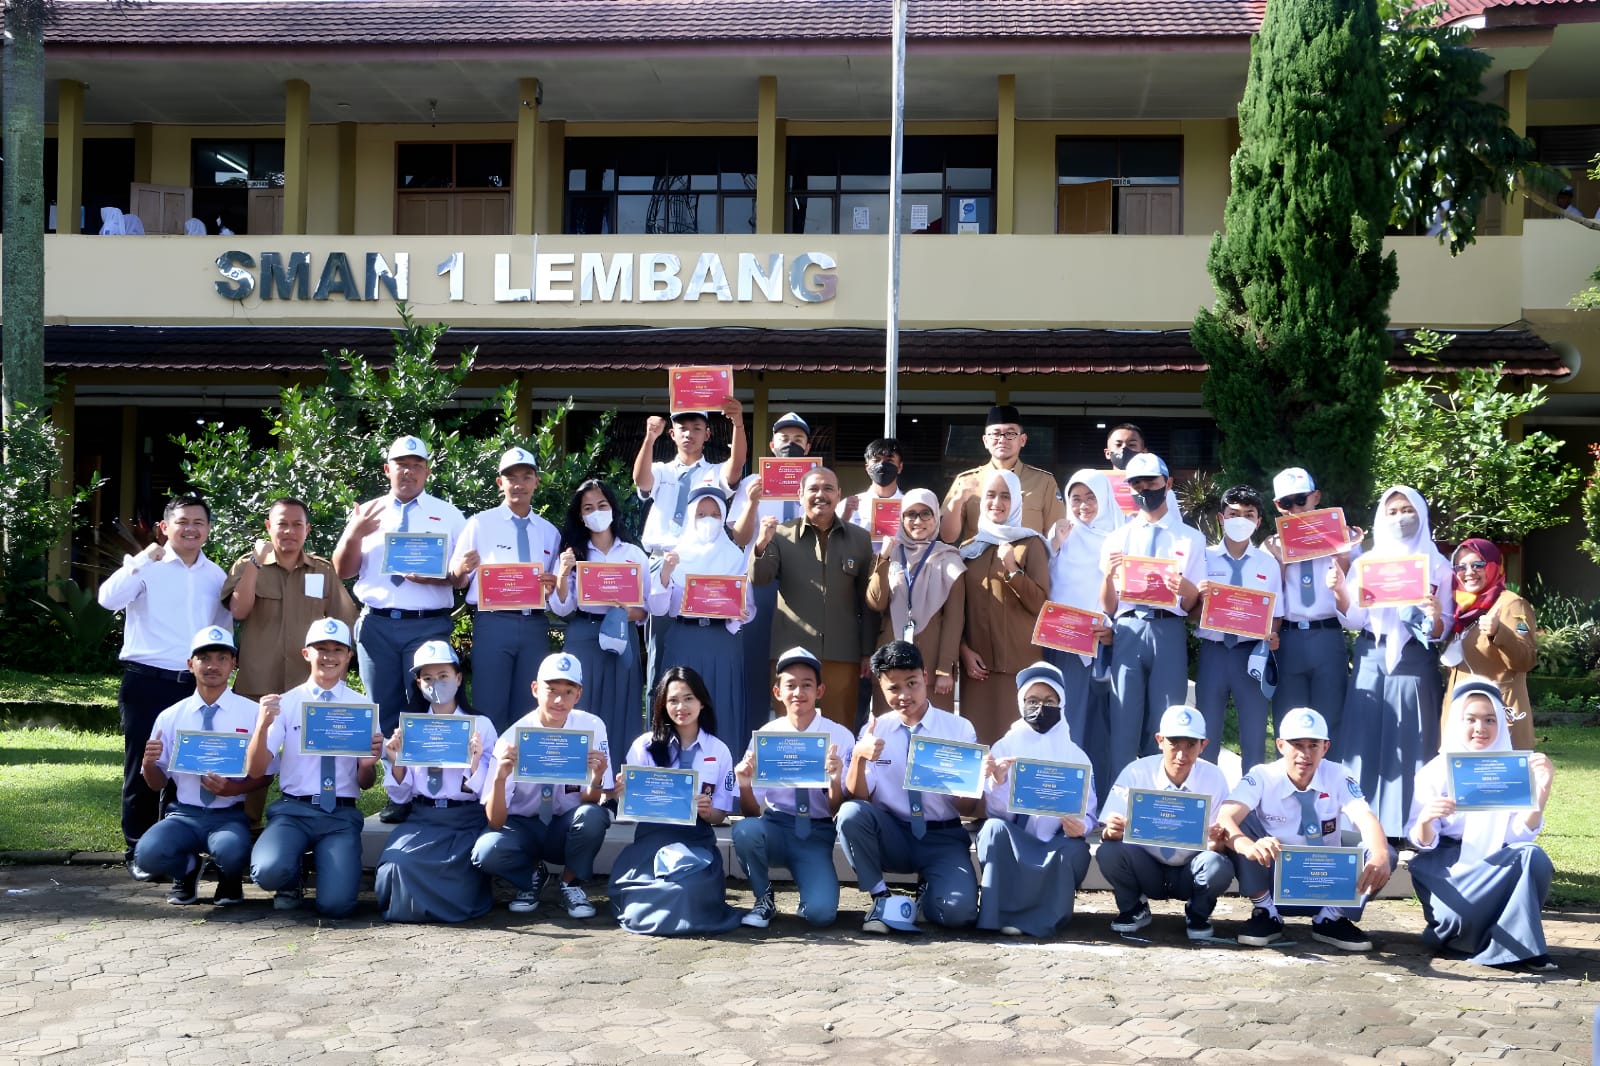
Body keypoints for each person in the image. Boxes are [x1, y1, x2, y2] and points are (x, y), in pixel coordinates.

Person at [332, 435, 466, 824]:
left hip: (428, 624)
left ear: (427, 470)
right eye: (400, 464)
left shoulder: (449, 515)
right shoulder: (367, 511)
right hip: (377, 624)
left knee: (432, 704)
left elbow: (459, 579)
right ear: (387, 469)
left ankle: (436, 790)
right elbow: (342, 570)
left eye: (416, 465)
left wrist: (431, 576)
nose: (408, 471)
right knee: (386, 709)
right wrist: (355, 532)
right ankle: (400, 792)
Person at [98, 494, 231, 881]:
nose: (191, 529)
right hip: (146, 680)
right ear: (165, 527)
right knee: (144, 764)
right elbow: (107, 599)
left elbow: (220, 632)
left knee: (185, 769)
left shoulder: (215, 576)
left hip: (193, 685)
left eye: (199, 523)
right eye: (183, 521)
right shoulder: (147, 568)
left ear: (207, 530)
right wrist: (140, 561)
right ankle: (137, 849)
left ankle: (175, 850)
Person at [224, 495, 358, 833]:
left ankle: (310, 825)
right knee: (253, 756)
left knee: (311, 758)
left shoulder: (323, 570)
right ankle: (248, 826)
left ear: (307, 529)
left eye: (297, 524)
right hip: (258, 681)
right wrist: (255, 563)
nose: (289, 531)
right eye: (282, 523)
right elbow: (238, 611)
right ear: (269, 527)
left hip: (308, 688)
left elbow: (346, 622)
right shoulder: (247, 565)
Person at [1406, 677, 1557, 971]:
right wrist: (1426, 818)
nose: (1480, 729)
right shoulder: (1434, 772)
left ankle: (1523, 949)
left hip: (1494, 863)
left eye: (1490, 719)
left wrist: (1542, 791)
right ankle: (1463, 935)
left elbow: (1518, 836)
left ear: (1501, 721)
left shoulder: (1512, 768)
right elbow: (1423, 842)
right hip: (1447, 867)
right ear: (1456, 721)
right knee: (1455, 923)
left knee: (1532, 857)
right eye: (1471, 719)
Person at [1214, 708, 1394, 951]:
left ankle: (1331, 918)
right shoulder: (1262, 775)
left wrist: (1380, 854)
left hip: (1328, 883)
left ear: (1325, 748)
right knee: (1240, 824)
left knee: (1385, 853)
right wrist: (1250, 846)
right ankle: (1266, 912)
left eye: (1313, 745)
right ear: (1280, 745)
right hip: (1275, 881)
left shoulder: (1338, 774)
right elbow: (1224, 817)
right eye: (1297, 745)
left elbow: (1365, 817)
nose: (1305, 754)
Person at [1333, 485, 1452, 837]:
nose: (1401, 518)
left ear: (1421, 514)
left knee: (1414, 738)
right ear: (1381, 518)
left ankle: (1410, 826)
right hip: (1371, 656)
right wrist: (1339, 590)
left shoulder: (1439, 567)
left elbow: (1441, 631)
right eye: (1393, 511)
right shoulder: (1367, 563)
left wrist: (1434, 615)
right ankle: (1359, 824)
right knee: (1363, 739)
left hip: (1415, 659)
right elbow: (1353, 619)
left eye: (1408, 510)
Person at [838, 641, 980, 934]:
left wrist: (960, 782)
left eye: (912, 683)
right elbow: (858, 797)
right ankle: (880, 898)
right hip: (893, 834)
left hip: (942, 837)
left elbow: (967, 808)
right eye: (894, 688)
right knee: (851, 813)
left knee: (958, 914)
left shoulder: (959, 729)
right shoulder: (874, 730)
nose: (904, 695)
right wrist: (859, 760)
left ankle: (928, 891)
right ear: (880, 686)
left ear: (926, 676)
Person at [245, 618, 381, 917]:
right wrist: (262, 726)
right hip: (294, 811)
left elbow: (366, 781)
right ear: (306, 653)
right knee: (267, 871)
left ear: (349, 656)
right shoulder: (287, 703)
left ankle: (321, 866)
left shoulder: (362, 708)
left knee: (337, 906)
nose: (329, 656)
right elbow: (256, 770)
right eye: (321, 649)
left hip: (340, 815)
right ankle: (290, 878)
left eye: (337, 649)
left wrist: (368, 764)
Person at [133, 626, 269, 906]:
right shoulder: (171, 717)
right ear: (190, 664)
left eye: (222, 658)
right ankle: (187, 870)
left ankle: (228, 878)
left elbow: (266, 775)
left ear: (234, 663)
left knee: (232, 851)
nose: (212, 666)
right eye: (204, 658)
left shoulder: (252, 713)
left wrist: (234, 788)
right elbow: (157, 783)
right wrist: (148, 763)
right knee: (146, 855)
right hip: (183, 814)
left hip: (228, 815)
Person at [473, 653, 612, 920]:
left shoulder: (592, 727)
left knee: (594, 816)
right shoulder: (512, 738)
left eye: (568, 692)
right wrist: (501, 777)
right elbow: (495, 822)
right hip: (523, 826)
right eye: (551, 691)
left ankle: (570, 883)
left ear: (578, 694)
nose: (559, 700)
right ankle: (531, 877)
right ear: (536, 689)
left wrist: (597, 777)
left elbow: (591, 800)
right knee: (486, 851)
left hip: (564, 825)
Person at [608, 667, 742, 936]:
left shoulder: (718, 750)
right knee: (644, 894)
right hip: (651, 841)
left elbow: (720, 815)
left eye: (689, 698)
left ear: (702, 702)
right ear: (662, 704)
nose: (681, 707)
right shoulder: (644, 746)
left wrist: (708, 812)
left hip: (696, 843)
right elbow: (630, 806)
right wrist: (620, 791)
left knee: (685, 891)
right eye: (673, 700)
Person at [732, 647, 855, 928]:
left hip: (816, 833)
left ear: (820, 690)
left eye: (807, 685)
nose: (798, 692)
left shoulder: (840, 736)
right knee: (744, 831)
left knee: (821, 915)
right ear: (777, 692)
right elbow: (751, 812)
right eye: (791, 685)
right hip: (776, 827)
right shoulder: (766, 737)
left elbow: (837, 808)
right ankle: (764, 899)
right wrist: (745, 784)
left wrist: (835, 779)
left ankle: (810, 897)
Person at [374, 640, 497, 923]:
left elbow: (488, 791)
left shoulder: (481, 725)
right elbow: (401, 797)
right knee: (394, 865)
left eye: (443, 676)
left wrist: (475, 764)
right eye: (427, 678)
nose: (436, 684)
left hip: (464, 822)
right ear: (418, 684)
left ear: (458, 678)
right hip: (423, 820)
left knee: (460, 881)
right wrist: (396, 761)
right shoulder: (411, 726)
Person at [1099, 452, 1206, 769]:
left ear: (1168, 483)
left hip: (1168, 631)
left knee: (1166, 721)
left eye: (1151, 481)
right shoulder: (1117, 538)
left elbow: (1191, 606)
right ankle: (1117, 809)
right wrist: (1106, 575)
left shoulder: (1191, 538)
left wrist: (1186, 590)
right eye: (1136, 483)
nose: (1145, 488)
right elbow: (1109, 606)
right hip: (1128, 630)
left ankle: (1157, 804)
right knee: (1123, 720)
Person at [975, 662, 1098, 937]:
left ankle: (1041, 922)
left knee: (1075, 850)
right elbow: (996, 814)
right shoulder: (1005, 747)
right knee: (993, 830)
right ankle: (998, 916)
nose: (1040, 707)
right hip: (1017, 840)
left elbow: (1088, 814)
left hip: (1053, 844)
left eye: (1048, 700)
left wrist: (1082, 827)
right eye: (1032, 700)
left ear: (1061, 703)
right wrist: (998, 781)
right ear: (1021, 703)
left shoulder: (1076, 756)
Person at [749, 467, 875, 731]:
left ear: (839, 494)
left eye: (828, 489)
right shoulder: (781, 536)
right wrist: (761, 544)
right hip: (791, 653)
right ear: (799, 495)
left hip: (843, 654)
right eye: (814, 489)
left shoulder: (860, 539)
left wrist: (866, 652)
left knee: (840, 730)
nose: (821, 495)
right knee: (791, 732)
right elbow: (760, 579)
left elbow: (868, 603)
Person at [633, 401, 745, 691]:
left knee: (696, 645)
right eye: (683, 428)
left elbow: (735, 469)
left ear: (707, 435)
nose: (689, 434)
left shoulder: (715, 471)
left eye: (697, 428)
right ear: (672, 434)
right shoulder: (661, 469)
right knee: (660, 648)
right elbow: (641, 480)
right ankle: (657, 722)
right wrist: (649, 437)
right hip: (663, 560)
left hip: (702, 563)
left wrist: (738, 424)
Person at [1096, 705, 1234, 940]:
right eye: (1174, 744)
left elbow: (1217, 845)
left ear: (1204, 745)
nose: (1182, 754)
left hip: (1189, 868)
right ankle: (1133, 908)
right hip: (1146, 866)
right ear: (1159, 741)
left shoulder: (1214, 777)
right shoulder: (1136, 772)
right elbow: (1106, 831)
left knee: (1217, 865)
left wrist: (1217, 843)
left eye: (1191, 745)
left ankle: (1198, 912)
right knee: (1109, 852)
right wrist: (1112, 831)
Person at [449, 447, 562, 734]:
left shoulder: (549, 532)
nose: (519, 484)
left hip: (535, 624)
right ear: (500, 483)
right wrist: (461, 569)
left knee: (531, 705)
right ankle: (485, 776)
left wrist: (551, 586)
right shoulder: (479, 524)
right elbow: (458, 581)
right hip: (493, 622)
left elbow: (555, 590)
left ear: (537, 482)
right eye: (511, 477)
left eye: (526, 477)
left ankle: (522, 777)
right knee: (489, 705)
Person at [548, 479, 663, 758]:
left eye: (602, 505)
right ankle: (577, 783)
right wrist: (563, 574)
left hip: (622, 637)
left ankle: (619, 783)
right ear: (580, 515)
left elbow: (647, 609)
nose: (596, 512)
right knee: (580, 705)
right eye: (588, 508)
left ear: (612, 508)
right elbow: (561, 608)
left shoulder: (633, 553)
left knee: (622, 706)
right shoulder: (572, 553)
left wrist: (625, 611)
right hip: (584, 635)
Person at [729, 411, 815, 728]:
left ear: (808, 447)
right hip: (759, 583)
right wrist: (752, 503)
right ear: (772, 444)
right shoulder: (753, 482)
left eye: (798, 440)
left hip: (803, 583)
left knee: (796, 663)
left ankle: (795, 736)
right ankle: (751, 735)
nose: (790, 445)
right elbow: (738, 537)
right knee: (754, 662)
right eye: (784, 439)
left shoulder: (817, 482)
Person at [655, 486, 754, 752]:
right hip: (684, 640)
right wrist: (666, 573)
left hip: (722, 643)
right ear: (690, 515)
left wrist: (740, 613)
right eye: (701, 513)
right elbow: (658, 606)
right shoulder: (675, 553)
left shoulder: (735, 555)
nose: (707, 520)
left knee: (722, 707)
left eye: (714, 514)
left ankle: (723, 782)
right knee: (678, 706)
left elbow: (748, 606)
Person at [956, 469, 1050, 745]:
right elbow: (958, 607)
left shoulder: (1030, 544)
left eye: (1005, 496)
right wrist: (963, 651)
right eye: (991, 495)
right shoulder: (970, 547)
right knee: (978, 744)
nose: (996, 502)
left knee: (1017, 746)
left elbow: (1039, 604)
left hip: (1019, 667)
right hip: (978, 668)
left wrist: (1012, 569)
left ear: (1016, 502)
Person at [1263, 467, 1356, 744]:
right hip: (1288, 638)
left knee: (1331, 719)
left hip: (1327, 634)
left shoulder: (1343, 538)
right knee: (1288, 719)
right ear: (1277, 507)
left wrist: (1343, 554)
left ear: (1316, 497)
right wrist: (1279, 562)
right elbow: (1266, 598)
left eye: (1300, 499)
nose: (1294, 509)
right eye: (1285, 503)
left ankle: (1332, 785)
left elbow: (1354, 592)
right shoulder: (1270, 546)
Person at [1194, 485, 1283, 768]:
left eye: (1249, 514)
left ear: (1258, 522)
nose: (1240, 520)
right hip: (1214, 652)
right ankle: (1208, 803)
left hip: (1251, 654)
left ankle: (1251, 808)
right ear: (1221, 518)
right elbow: (1188, 613)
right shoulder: (1203, 558)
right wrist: (1199, 598)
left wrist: (1273, 634)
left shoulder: (1268, 564)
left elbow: (1276, 613)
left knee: (1255, 736)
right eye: (1233, 513)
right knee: (1205, 734)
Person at [1045, 470, 1120, 789]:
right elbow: (1045, 583)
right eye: (1076, 498)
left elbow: (1128, 588)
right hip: (1064, 644)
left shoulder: (1119, 536)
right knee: (1068, 720)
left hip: (1106, 643)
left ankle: (1100, 798)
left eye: (1091, 497)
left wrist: (1111, 626)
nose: (1084, 505)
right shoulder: (1061, 535)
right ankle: (1065, 796)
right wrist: (1053, 545)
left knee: (1104, 725)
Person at [865, 488, 965, 712]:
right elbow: (875, 602)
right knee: (890, 733)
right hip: (891, 662)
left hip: (930, 664)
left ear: (936, 518)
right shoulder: (889, 555)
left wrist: (944, 670)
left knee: (931, 735)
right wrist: (883, 558)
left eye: (925, 514)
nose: (917, 521)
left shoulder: (950, 560)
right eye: (910, 514)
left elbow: (954, 620)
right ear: (901, 518)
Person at [1440, 539, 1537, 751]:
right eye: (1461, 566)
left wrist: (1498, 632)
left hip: (1500, 720)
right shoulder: (1461, 608)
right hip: (1463, 722)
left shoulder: (1512, 605)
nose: (1469, 572)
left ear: (1493, 565)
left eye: (1478, 565)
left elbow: (1527, 659)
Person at [940, 404, 1064, 545]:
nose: (1002, 439)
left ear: (1022, 440)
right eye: (995, 433)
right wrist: (958, 500)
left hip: (1026, 564)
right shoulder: (966, 481)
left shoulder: (1043, 482)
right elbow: (947, 537)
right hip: (977, 563)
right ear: (986, 441)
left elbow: (1057, 535)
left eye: (1010, 433)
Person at [840, 437, 905, 543]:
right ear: (867, 468)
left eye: (889, 460)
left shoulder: (910, 505)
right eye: (876, 460)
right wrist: (845, 517)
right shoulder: (849, 505)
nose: (882, 465)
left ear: (900, 467)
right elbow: (833, 543)